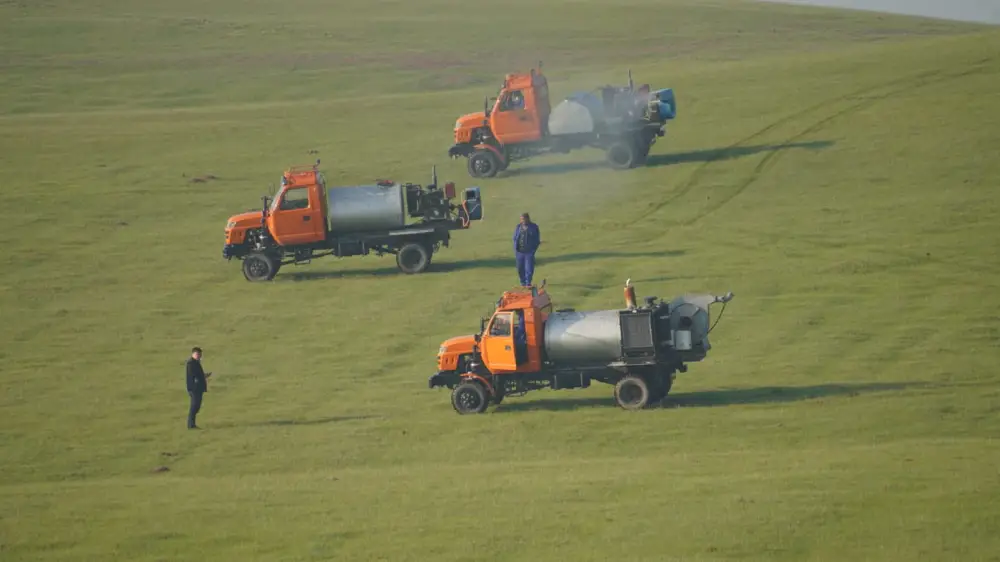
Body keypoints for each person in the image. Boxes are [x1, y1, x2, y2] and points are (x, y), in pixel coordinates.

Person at [185, 347, 212, 429]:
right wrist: (200, 378)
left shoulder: (196, 362)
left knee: (197, 406)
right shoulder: (191, 363)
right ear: (193, 354)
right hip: (194, 388)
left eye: (200, 355)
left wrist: (204, 375)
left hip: (198, 388)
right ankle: (191, 425)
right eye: (197, 354)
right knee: (194, 406)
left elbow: (198, 374)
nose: (199, 356)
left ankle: (192, 424)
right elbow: (193, 375)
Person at [512, 212, 541, 287]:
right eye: (521, 219)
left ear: (528, 219)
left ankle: (528, 283)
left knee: (529, 268)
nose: (523, 221)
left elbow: (537, 240)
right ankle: (522, 283)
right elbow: (515, 238)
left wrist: (533, 250)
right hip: (519, 252)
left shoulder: (534, 227)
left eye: (524, 219)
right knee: (520, 268)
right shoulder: (518, 227)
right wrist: (515, 248)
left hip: (529, 252)